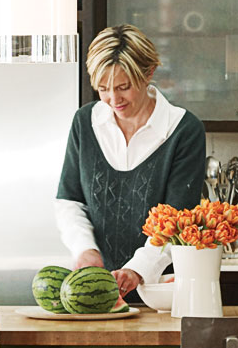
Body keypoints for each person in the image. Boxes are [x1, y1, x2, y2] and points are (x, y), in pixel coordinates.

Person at [51, 25, 206, 299]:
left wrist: (136, 270)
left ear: (148, 74)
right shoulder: (85, 123)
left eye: (123, 87)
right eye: (103, 89)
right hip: (94, 292)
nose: (114, 99)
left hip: (161, 292)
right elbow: (70, 201)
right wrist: (85, 249)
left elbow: (177, 221)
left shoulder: (183, 130)